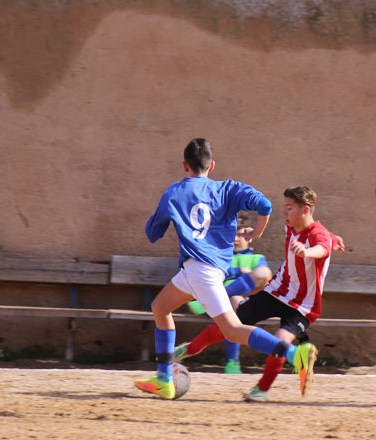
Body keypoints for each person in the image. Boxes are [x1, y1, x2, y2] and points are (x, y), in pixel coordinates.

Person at [134, 139, 317, 400]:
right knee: (160, 307)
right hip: (202, 270)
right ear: (212, 166)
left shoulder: (173, 192)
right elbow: (265, 205)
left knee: (232, 329)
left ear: (185, 165)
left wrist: (158, 218)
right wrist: (256, 232)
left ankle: (294, 354)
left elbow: (153, 233)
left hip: (200, 270)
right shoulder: (229, 189)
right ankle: (164, 378)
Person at [174, 185, 345, 402]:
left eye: (289, 208)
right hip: (276, 292)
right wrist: (254, 232)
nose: (284, 212)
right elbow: (327, 237)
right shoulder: (292, 226)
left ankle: (262, 390)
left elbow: (322, 247)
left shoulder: (317, 236)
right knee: (231, 324)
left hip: (303, 305)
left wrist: (307, 251)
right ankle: (190, 348)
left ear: (305, 210)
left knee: (280, 342)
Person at [186, 212, 273, 373]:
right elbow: (212, 276)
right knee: (233, 302)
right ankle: (233, 361)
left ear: (250, 237)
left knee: (239, 297)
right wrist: (239, 271)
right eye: (232, 234)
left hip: (245, 302)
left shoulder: (257, 259)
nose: (236, 239)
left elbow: (264, 281)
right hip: (220, 304)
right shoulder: (221, 257)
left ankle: (232, 360)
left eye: (240, 235)